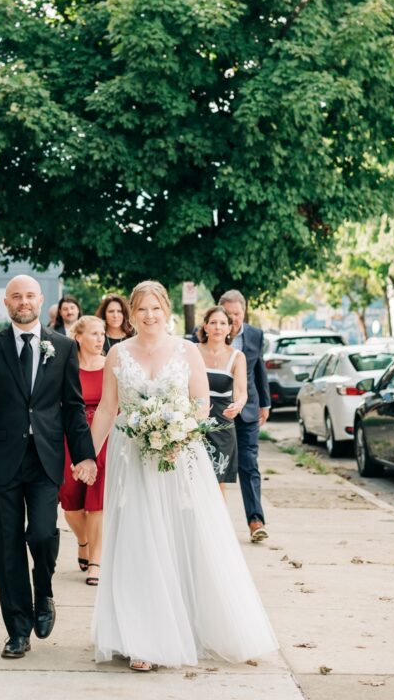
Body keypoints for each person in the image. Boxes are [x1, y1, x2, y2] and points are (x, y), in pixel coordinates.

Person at [90, 280, 277, 671]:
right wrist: (87, 456)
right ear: (131, 313)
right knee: (138, 540)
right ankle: (141, 637)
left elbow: (201, 402)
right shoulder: (117, 354)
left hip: (178, 454)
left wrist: (178, 432)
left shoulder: (186, 350)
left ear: (167, 309)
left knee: (181, 537)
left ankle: (185, 625)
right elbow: (108, 409)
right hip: (133, 458)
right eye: (141, 309)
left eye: (155, 308)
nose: (149, 316)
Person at [0, 275, 97, 660]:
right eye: (16, 296)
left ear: (42, 300)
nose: (23, 302)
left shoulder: (62, 347)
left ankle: (45, 592)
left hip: (45, 459)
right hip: (0, 462)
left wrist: (85, 454)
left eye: (29, 296)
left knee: (41, 534)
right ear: (6, 303)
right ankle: (18, 629)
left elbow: (73, 407)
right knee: (7, 548)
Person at [218, 289, 271, 543]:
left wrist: (266, 403)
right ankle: (216, 524)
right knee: (217, 468)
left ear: (244, 312)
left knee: (249, 465)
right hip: (217, 411)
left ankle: (255, 520)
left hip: (248, 410)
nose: (233, 319)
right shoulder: (209, 332)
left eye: (237, 314)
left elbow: (259, 368)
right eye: (228, 314)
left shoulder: (254, 335)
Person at [58, 315, 108, 586]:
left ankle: (96, 562)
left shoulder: (110, 365)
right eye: (94, 334)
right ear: (79, 337)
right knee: (71, 502)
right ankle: (83, 540)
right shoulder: (67, 366)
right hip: (71, 438)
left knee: (97, 502)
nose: (100, 339)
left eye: (102, 334)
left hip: (104, 438)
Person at [195, 305, 247, 493]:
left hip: (221, 426)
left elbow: (241, 391)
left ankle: (217, 523)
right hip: (192, 425)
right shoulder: (192, 351)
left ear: (229, 328)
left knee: (215, 485)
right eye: (213, 322)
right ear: (205, 327)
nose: (218, 327)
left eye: (223, 323)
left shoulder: (237, 357)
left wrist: (238, 405)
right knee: (191, 483)